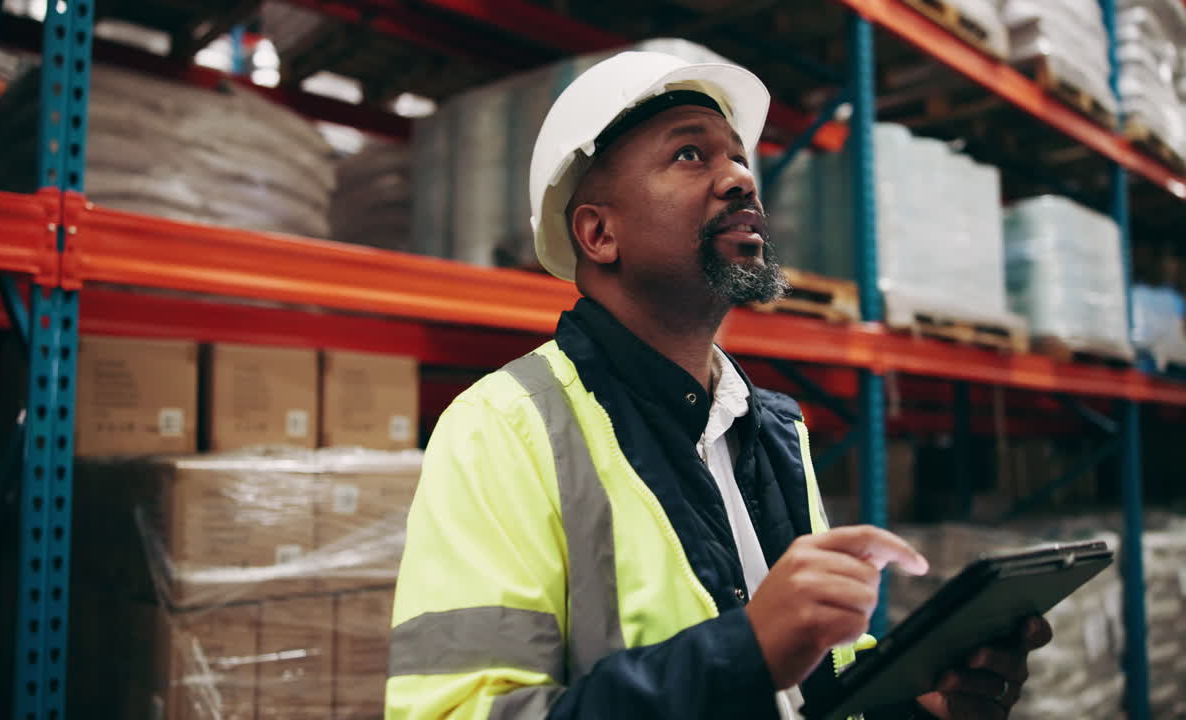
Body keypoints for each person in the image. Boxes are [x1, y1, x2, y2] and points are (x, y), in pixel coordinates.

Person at [385, 51, 1052, 720]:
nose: (740, 179)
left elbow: (807, 691)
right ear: (598, 232)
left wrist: (918, 705)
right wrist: (746, 651)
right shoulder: (503, 427)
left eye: (738, 158)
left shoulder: (773, 429)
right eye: (689, 156)